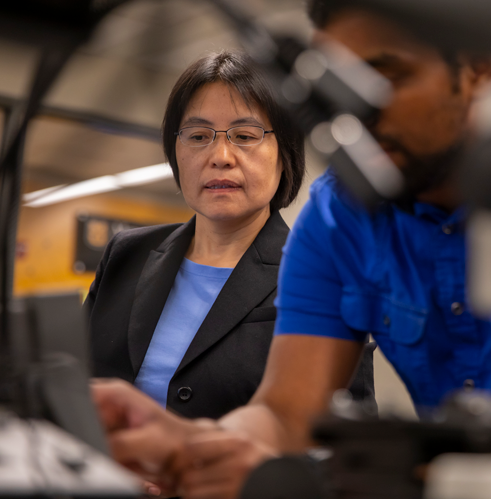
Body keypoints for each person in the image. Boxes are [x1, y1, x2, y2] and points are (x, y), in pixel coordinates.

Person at [91, 0, 491, 499]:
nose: (361, 112)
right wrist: (192, 449)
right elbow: (284, 414)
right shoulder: (338, 218)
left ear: (477, 68)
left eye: (390, 75)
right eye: (342, 84)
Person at [85, 50, 375, 423]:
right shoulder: (126, 255)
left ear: (284, 153)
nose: (220, 156)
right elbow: (73, 387)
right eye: (199, 135)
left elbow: (349, 446)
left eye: (244, 135)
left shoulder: (322, 279)